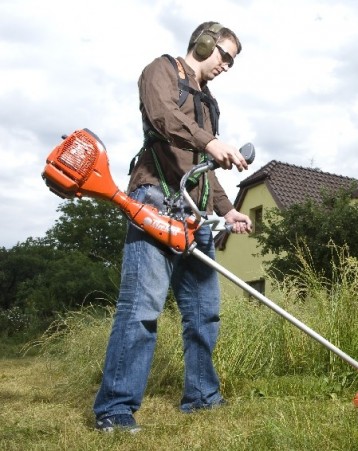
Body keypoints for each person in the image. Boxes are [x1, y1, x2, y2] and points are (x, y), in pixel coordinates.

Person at [93, 21, 252, 433]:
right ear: (203, 43)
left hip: (195, 217)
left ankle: (202, 397)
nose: (227, 66)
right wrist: (211, 142)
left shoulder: (208, 103)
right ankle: (115, 408)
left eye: (233, 62)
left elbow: (203, 168)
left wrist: (228, 209)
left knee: (204, 314)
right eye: (225, 55)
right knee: (141, 309)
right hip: (156, 203)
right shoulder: (160, 72)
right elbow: (162, 117)